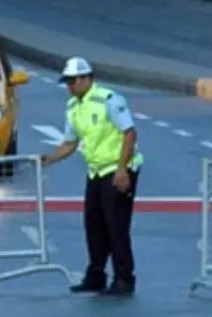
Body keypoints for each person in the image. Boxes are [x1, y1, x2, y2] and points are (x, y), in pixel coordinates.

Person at [41, 57, 143, 296]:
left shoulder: (108, 100)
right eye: (67, 82)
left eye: (73, 81)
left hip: (117, 170)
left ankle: (124, 278)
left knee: (116, 226)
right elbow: (70, 143)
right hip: (96, 171)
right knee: (94, 225)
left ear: (87, 78)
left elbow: (129, 133)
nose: (69, 86)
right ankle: (96, 276)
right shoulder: (73, 107)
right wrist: (47, 159)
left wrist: (122, 169)